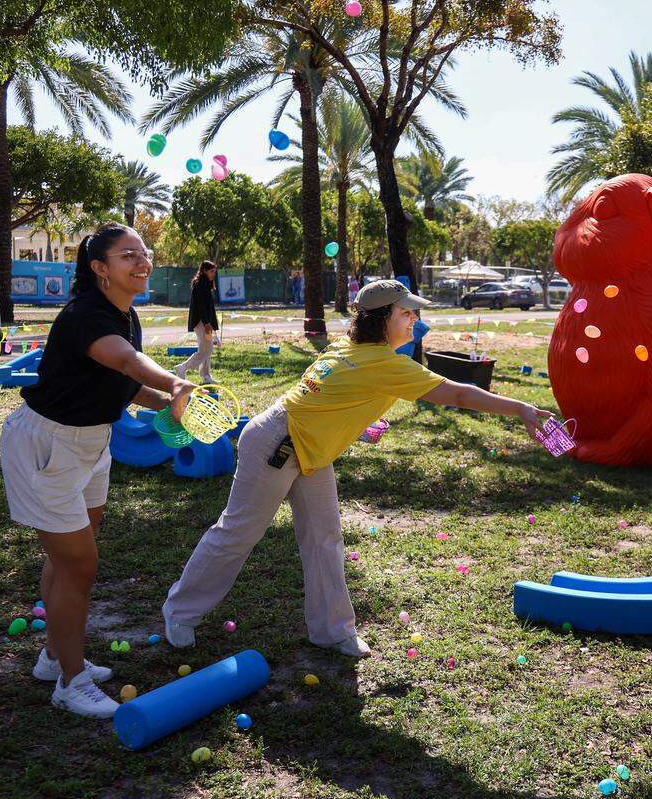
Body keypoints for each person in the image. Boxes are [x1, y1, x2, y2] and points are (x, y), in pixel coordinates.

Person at [162, 279, 552, 657]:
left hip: (309, 448)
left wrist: (355, 423)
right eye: (405, 313)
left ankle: (332, 631)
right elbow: (456, 392)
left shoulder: (351, 348)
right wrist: (519, 408)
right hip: (277, 444)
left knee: (324, 538)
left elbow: (329, 392)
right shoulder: (381, 362)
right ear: (381, 318)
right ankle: (179, 612)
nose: (414, 320)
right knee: (237, 532)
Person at [0, 222, 194, 719]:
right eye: (130, 255)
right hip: (48, 444)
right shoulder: (87, 316)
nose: (142, 261)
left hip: (92, 442)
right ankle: (70, 681)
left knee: (70, 558)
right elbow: (127, 363)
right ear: (100, 268)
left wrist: (168, 405)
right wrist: (174, 382)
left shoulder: (126, 315)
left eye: (145, 253)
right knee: (79, 566)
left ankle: (53, 656)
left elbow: (127, 385)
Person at [174, 260, 220, 384]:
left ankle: (206, 376)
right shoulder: (199, 285)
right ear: (204, 271)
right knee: (206, 350)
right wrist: (206, 323)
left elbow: (209, 307)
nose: (213, 274)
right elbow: (201, 307)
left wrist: (211, 324)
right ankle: (182, 367)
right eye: (211, 271)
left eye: (214, 272)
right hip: (202, 323)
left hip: (207, 323)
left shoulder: (206, 285)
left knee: (206, 349)